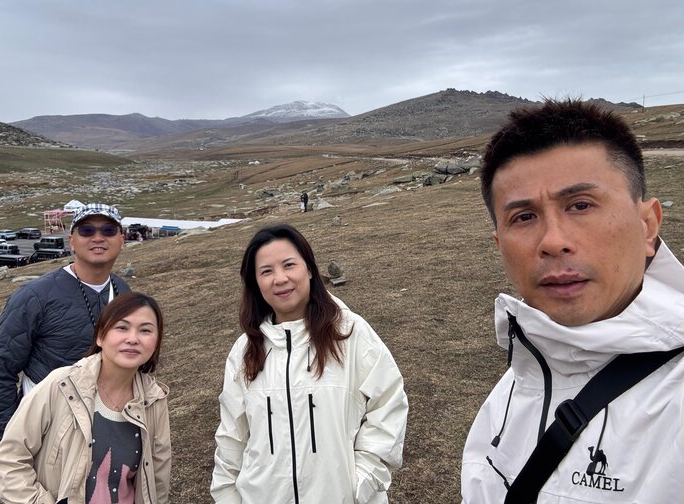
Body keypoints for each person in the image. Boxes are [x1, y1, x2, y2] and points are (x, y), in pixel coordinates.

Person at [461, 99, 684, 502]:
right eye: (524, 217)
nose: (553, 241)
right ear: (499, 245)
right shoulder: (521, 376)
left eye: (581, 205)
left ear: (647, 225)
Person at [211, 223, 408, 503]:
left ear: (310, 269)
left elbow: (388, 403)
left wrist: (362, 480)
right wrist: (227, 496)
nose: (280, 279)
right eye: (266, 271)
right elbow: (232, 436)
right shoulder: (245, 351)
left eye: (289, 265)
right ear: (255, 283)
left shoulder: (350, 333)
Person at [0, 292, 170, 504]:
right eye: (122, 327)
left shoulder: (154, 399)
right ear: (100, 336)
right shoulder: (61, 385)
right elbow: (8, 460)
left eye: (145, 330)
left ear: (156, 341)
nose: (133, 338)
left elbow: (157, 480)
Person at [0, 203, 129, 441]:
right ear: (72, 241)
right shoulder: (34, 296)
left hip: (108, 423)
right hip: (50, 428)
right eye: (87, 230)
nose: (98, 237)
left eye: (108, 230)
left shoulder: (122, 290)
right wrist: (12, 440)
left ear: (121, 240)